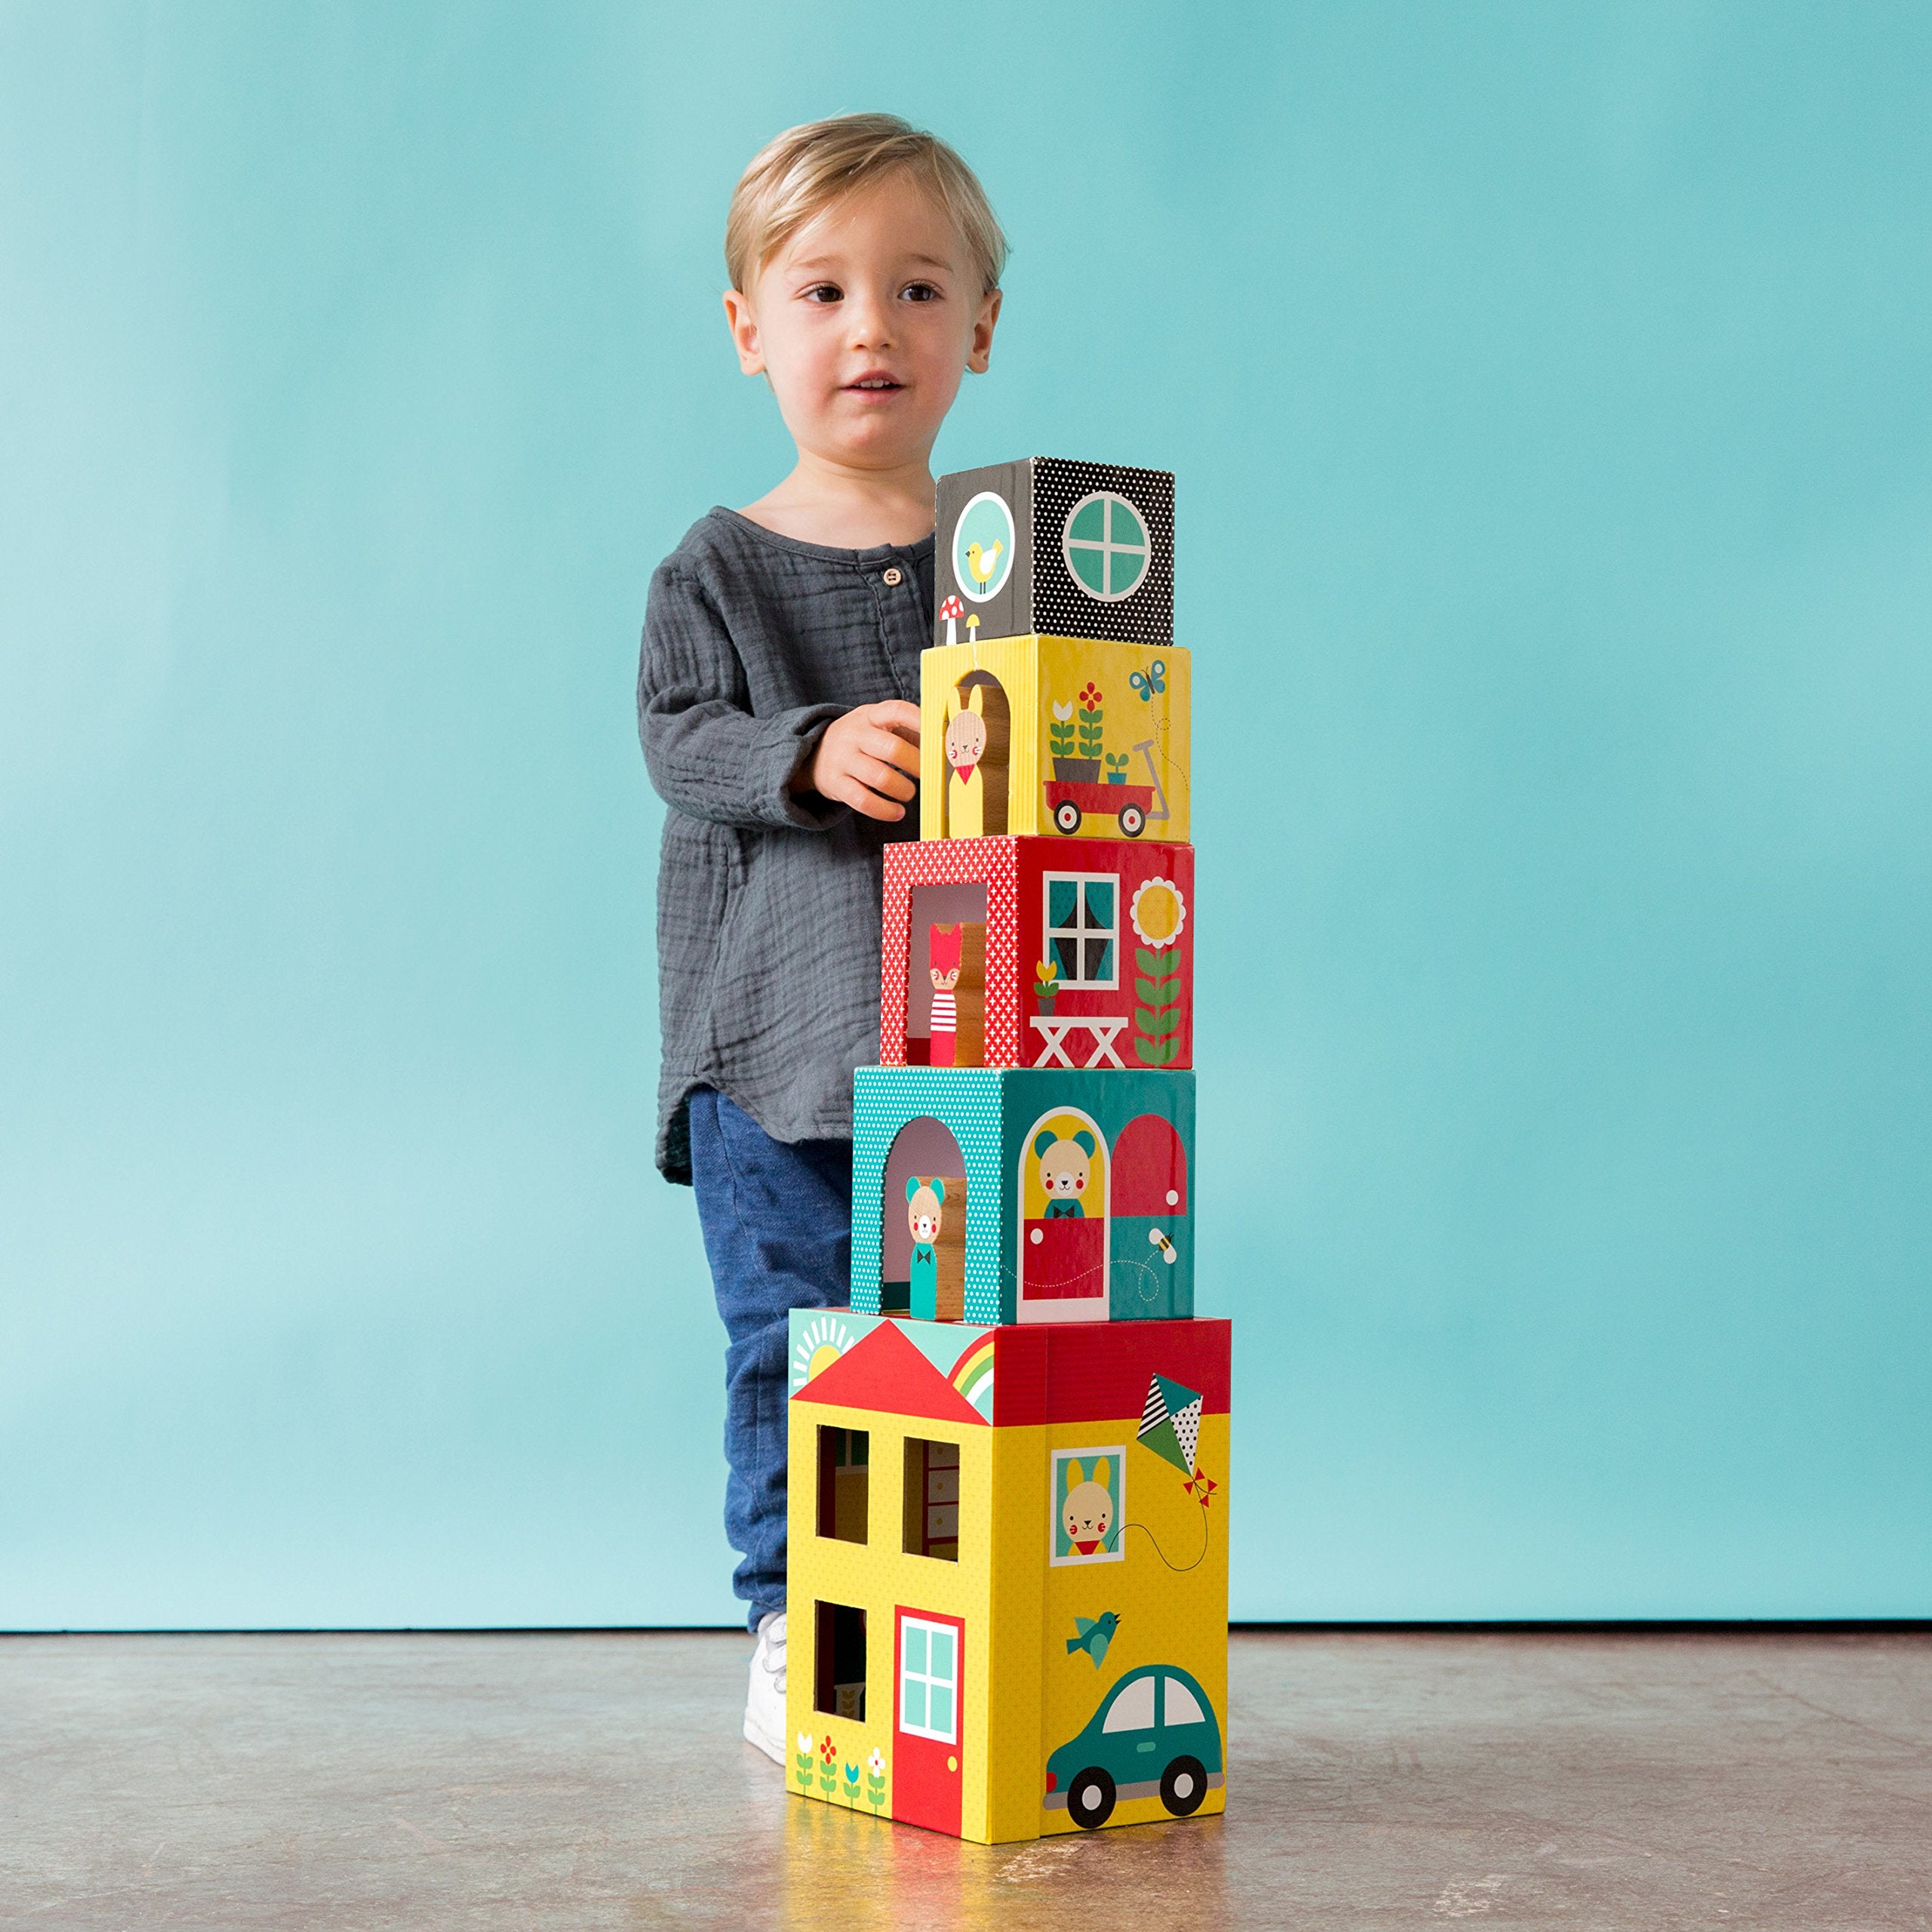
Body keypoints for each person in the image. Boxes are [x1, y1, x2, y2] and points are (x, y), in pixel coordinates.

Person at [635, 114, 1005, 1764]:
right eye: (824, 289)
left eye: (918, 288)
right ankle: (793, 1614)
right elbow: (674, 736)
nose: (873, 327)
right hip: (770, 1063)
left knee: (957, 1352)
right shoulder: (714, 562)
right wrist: (803, 749)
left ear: (977, 329)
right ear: (747, 330)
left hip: (975, 1066)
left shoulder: (1009, 563)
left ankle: (958, 1607)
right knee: (790, 1353)